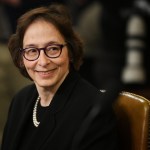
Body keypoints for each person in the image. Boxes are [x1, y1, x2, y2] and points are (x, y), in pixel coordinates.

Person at [1, 3, 120, 150]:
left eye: (52, 49)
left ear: (70, 51)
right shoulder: (20, 100)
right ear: (21, 58)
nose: (43, 62)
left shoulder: (93, 111)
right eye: (32, 50)